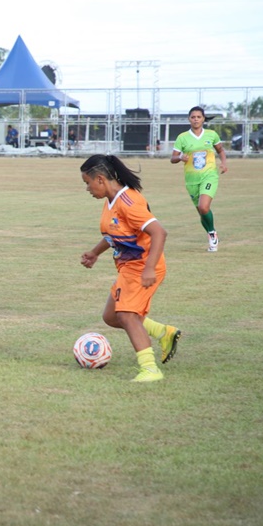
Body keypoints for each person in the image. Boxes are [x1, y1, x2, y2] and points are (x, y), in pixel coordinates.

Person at [79, 154, 181, 383]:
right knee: (111, 316)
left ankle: (150, 369)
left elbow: (159, 232)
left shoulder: (129, 202)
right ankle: (163, 333)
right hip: (128, 268)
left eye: (88, 182)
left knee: (126, 315)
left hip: (141, 267)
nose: (87, 188)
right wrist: (95, 253)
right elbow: (115, 233)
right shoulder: (111, 200)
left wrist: (149, 269)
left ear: (101, 179)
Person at [171, 106, 228, 252]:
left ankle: (212, 236)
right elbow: (173, 158)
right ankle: (212, 232)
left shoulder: (211, 135)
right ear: (189, 119)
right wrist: (180, 157)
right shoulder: (182, 137)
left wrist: (223, 163)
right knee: (201, 212)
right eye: (193, 117)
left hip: (209, 176)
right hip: (191, 180)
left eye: (198, 117)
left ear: (203, 119)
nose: (196, 119)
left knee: (204, 206)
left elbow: (220, 150)